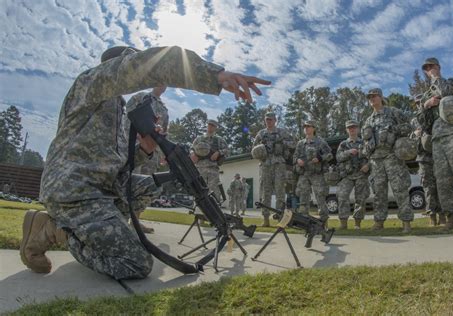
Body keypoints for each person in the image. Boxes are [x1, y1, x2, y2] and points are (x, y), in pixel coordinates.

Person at [19, 45, 270, 279]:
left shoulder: (119, 110)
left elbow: (118, 165)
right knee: (136, 262)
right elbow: (148, 65)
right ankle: (54, 230)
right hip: (74, 192)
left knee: (152, 185)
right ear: (117, 65)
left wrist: (145, 151)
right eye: (130, 63)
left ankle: (105, 231)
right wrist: (214, 75)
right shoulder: (90, 85)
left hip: (103, 188)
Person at [419, 57, 453, 235]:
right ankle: (450, 218)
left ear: (438, 67)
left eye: (432, 66)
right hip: (437, 139)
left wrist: (436, 79)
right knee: (442, 179)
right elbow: (423, 123)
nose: (429, 70)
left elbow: (446, 92)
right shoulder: (426, 95)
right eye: (427, 68)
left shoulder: (450, 82)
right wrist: (426, 105)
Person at [362, 88, 414, 232]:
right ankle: (379, 222)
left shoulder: (393, 112)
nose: (371, 99)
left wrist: (393, 129)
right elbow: (365, 142)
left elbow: (408, 127)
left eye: (374, 96)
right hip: (376, 160)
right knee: (379, 192)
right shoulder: (368, 120)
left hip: (393, 157)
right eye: (369, 97)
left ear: (381, 97)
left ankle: (406, 222)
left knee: (400, 189)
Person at [125, 84, 169, 233]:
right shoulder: (140, 97)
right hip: (135, 146)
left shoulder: (164, 109)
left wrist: (164, 155)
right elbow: (127, 118)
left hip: (152, 152)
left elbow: (164, 132)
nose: (162, 85)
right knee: (129, 182)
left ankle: (136, 222)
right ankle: (123, 220)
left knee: (148, 184)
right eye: (160, 81)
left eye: (165, 84)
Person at [252, 112, 295, 226]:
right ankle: (265, 219)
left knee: (280, 191)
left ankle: (280, 219)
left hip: (279, 164)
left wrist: (282, 142)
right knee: (265, 192)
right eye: (267, 119)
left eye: (271, 119)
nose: (269, 121)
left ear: (275, 120)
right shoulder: (261, 134)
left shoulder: (282, 132)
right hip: (265, 165)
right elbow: (253, 150)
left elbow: (293, 144)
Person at [410, 94, 444, 226]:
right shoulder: (414, 120)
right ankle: (432, 216)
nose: (419, 104)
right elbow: (409, 139)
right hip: (423, 157)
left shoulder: (435, 114)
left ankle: (443, 215)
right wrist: (415, 134)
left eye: (420, 101)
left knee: (441, 185)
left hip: (438, 154)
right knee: (428, 188)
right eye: (416, 102)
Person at [293, 120, 333, 220]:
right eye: (305, 126)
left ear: (314, 128)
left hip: (317, 174)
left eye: (308, 126)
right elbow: (294, 157)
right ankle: (304, 219)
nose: (306, 128)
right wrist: (298, 160)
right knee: (303, 196)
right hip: (304, 174)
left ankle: (323, 221)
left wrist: (319, 158)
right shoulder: (300, 143)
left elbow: (329, 155)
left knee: (320, 197)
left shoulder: (320, 142)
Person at [336, 120, 370, 229]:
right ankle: (343, 223)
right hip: (347, 175)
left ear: (358, 129)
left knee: (360, 199)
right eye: (350, 128)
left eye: (354, 127)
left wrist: (368, 166)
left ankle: (357, 224)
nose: (352, 129)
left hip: (361, 174)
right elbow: (338, 157)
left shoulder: (364, 142)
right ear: (347, 130)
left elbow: (372, 157)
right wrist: (348, 152)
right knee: (342, 196)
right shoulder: (343, 144)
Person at [191, 119, 228, 203]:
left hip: (213, 169)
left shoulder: (219, 140)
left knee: (214, 191)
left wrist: (219, 152)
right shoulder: (199, 139)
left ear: (215, 128)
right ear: (207, 126)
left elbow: (227, 150)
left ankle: (214, 211)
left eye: (213, 126)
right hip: (199, 168)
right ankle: (198, 210)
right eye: (209, 125)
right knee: (198, 189)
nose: (210, 127)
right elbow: (192, 149)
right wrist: (193, 153)